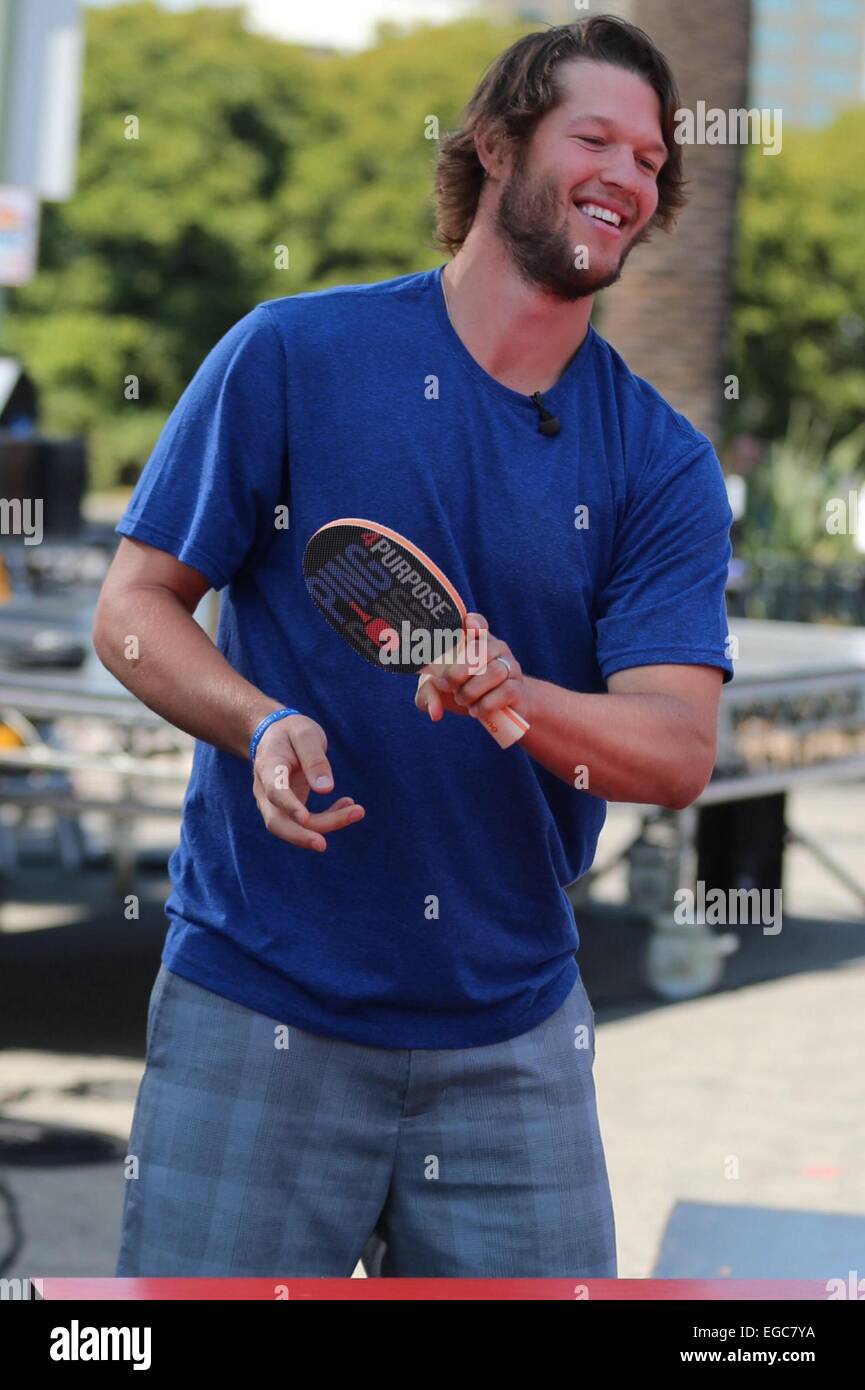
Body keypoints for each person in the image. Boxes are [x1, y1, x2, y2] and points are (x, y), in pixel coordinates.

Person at [95, 15, 734, 1279]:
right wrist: (259, 720)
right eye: (592, 137)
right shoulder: (293, 355)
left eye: (652, 160)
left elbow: (672, 753)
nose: (628, 174)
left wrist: (517, 692)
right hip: (256, 1006)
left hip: (515, 1036)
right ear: (494, 147)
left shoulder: (662, 462)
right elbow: (134, 609)